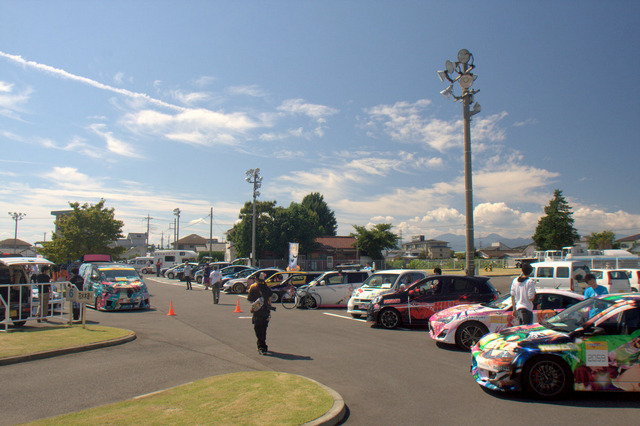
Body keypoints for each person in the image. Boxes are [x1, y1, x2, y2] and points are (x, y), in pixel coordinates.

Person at [247, 272, 273, 355]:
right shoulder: (267, 287)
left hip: (258, 312)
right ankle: (263, 345)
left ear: (256, 279)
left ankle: (261, 346)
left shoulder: (253, 288)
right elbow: (270, 300)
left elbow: (250, 300)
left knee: (258, 329)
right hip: (266, 311)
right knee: (264, 329)